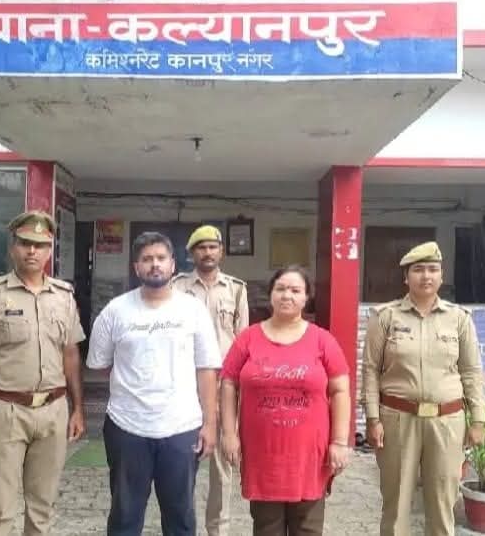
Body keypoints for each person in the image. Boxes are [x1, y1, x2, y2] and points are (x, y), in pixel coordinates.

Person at [87, 231, 222, 536]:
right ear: (136, 267)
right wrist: (133, 385)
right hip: (127, 428)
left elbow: (206, 369)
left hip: (181, 428)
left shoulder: (193, 310)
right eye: (147, 259)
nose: (155, 264)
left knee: (180, 517)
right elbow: (101, 364)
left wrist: (210, 424)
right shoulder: (115, 311)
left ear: (173, 264)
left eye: (161, 258)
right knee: (124, 515)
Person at [0, 210, 86, 536]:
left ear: (50, 250)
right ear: (12, 247)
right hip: (7, 411)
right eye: (25, 243)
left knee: (43, 508)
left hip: (54, 410)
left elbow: (71, 354)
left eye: (40, 245)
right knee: (1, 509)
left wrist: (78, 409)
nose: (32, 251)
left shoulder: (63, 297)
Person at [361, 241, 485, 536]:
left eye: (433, 269)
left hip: (447, 421)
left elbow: (471, 371)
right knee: (396, 503)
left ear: (442, 276)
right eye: (418, 269)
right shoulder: (386, 317)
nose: (426, 276)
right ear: (406, 277)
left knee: (443, 502)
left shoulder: (459, 319)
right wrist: (373, 418)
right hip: (397, 419)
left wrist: (478, 420)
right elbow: (370, 370)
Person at [220, 265, 351, 536]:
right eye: (280, 289)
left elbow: (340, 390)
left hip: (309, 456)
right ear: (271, 295)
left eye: (295, 290)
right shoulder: (248, 338)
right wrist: (229, 434)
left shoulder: (322, 340)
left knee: (308, 529)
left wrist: (339, 442)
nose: (287, 295)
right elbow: (228, 383)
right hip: (263, 455)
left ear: (306, 297)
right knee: (266, 527)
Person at [172, 224, 249, 536]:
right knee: (182, 466)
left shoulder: (236, 289)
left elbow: (243, 342)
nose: (207, 252)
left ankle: (218, 530)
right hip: (185, 386)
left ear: (221, 252)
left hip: (224, 386)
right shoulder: (177, 288)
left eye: (213, 247)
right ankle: (183, 527)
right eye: (201, 248)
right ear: (192, 254)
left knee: (223, 466)